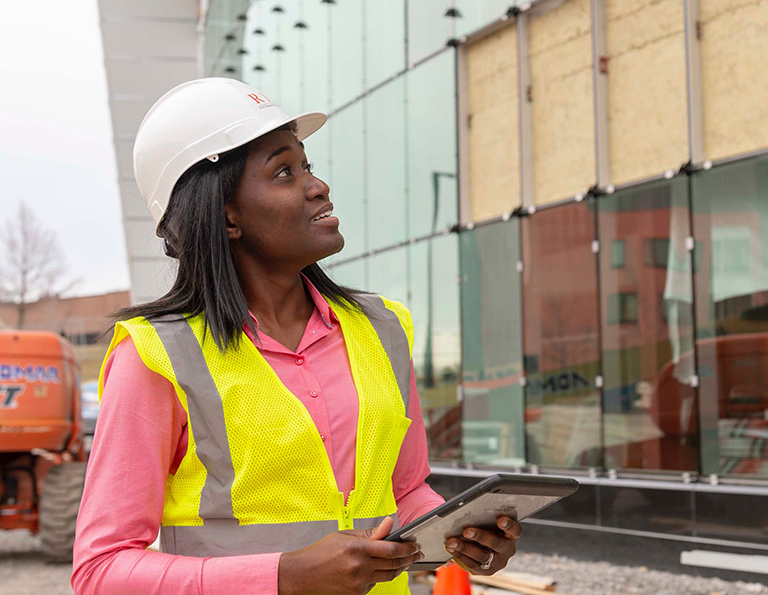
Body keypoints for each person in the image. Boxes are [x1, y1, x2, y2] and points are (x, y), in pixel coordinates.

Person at [71, 78, 523, 594]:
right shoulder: (156, 356)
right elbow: (100, 572)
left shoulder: (382, 330)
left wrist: (459, 535)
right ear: (225, 215)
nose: (317, 185)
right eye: (284, 172)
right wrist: (282, 576)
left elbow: (405, 489)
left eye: (307, 165)